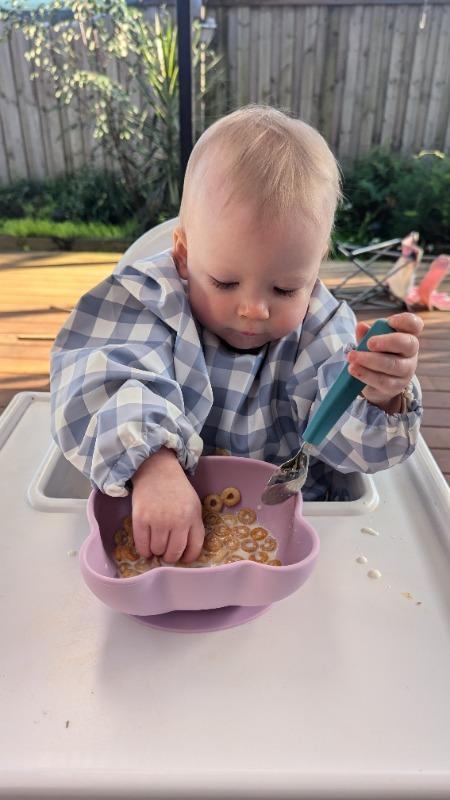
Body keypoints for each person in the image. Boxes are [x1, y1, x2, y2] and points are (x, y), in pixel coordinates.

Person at [50, 105, 424, 566]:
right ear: (184, 257)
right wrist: (153, 465)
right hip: (159, 531)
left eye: (286, 288)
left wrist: (380, 395)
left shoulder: (320, 329)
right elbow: (99, 381)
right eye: (225, 282)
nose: (254, 308)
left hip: (292, 542)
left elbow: (357, 451)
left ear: (313, 273)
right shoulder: (149, 301)